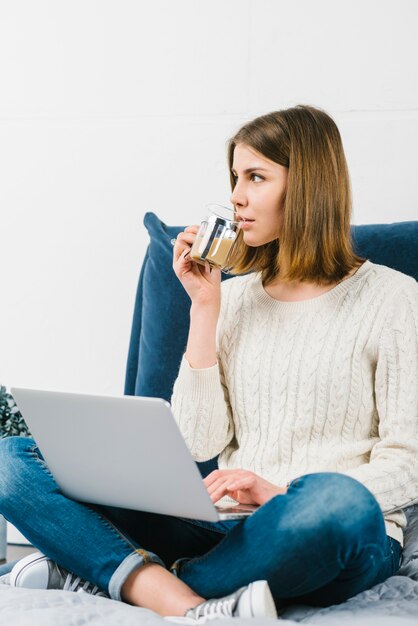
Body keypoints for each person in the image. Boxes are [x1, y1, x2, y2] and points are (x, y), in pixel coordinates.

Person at [0, 104, 417, 623]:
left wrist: (281, 492)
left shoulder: (395, 299)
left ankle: (117, 574)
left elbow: (409, 460)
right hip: (220, 529)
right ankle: (188, 602)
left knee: (335, 500)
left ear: (309, 186)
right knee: (12, 459)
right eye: (235, 178)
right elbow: (198, 442)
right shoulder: (234, 299)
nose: (237, 196)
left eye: (256, 177)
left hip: (325, 527)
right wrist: (204, 308)